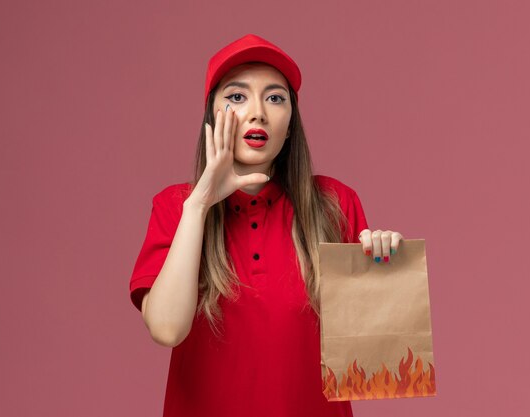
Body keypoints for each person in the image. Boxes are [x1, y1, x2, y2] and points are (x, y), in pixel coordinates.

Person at [129, 34, 404, 417]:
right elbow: (166, 330)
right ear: (212, 117)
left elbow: (373, 358)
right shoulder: (177, 207)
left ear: (290, 125)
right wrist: (200, 205)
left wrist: (384, 270)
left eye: (275, 98)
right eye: (237, 97)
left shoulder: (335, 204)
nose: (257, 112)